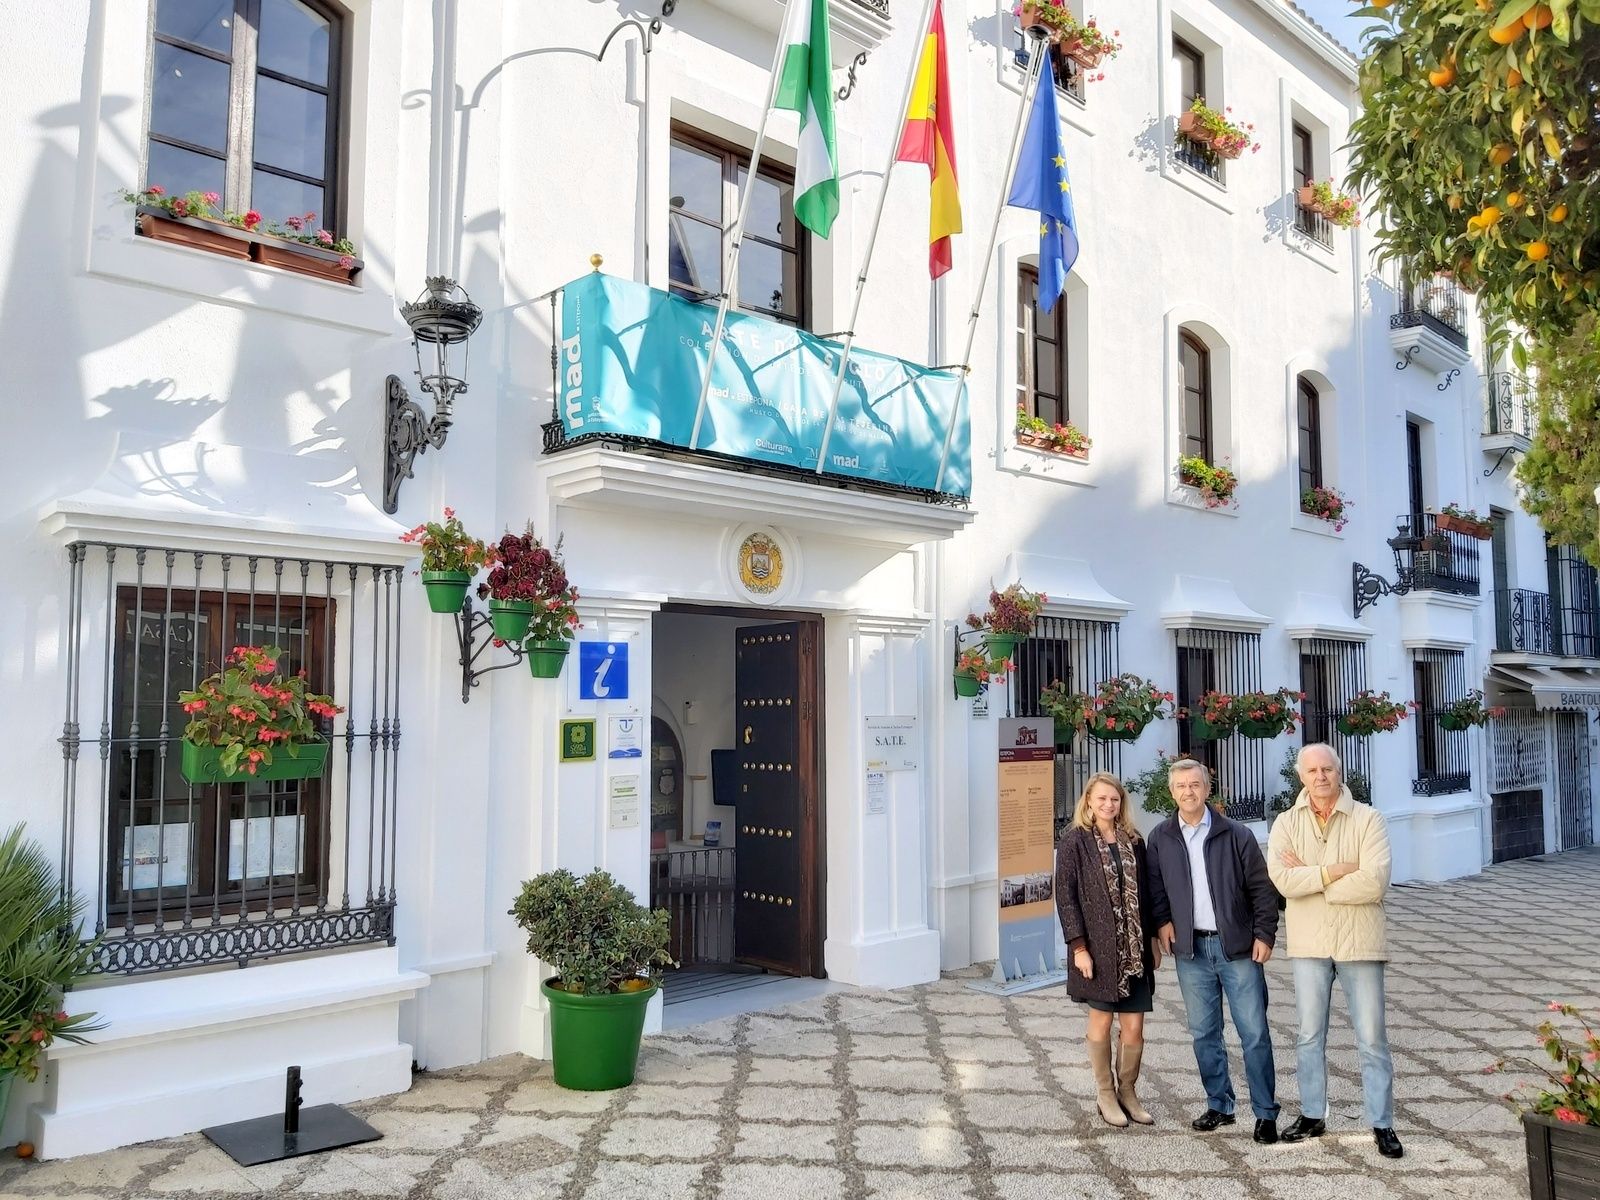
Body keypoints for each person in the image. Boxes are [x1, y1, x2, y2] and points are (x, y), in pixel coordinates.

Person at [1267, 742, 1404, 1160]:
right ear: (1301, 777)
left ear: (1339, 771)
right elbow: (1283, 882)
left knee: (1372, 1038)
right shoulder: (1286, 824)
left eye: (1327, 769)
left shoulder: (1369, 819)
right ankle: (1312, 1114)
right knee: (1309, 1035)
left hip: (1359, 942)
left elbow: (1374, 882)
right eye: (1312, 771)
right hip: (1309, 943)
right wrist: (1335, 870)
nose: (1321, 777)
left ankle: (1381, 1123)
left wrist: (1312, 880)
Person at [1147, 758, 1282, 1144]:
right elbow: (1156, 890)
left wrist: (1265, 935)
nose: (1188, 792)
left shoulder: (1236, 834)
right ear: (1172, 792)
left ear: (1207, 789)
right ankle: (1219, 1105)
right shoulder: (1161, 838)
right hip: (1191, 951)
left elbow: (1262, 890)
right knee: (1204, 1033)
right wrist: (1162, 923)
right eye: (1181, 786)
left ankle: (1265, 1113)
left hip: (1237, 948)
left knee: (1254, 1033)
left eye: (1195, 785)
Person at [1055, 772, 1162, 1127]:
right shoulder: (1074, 841)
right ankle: (1105, 1094)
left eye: (1114, 799)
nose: (1107, 805)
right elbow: (1066, 897)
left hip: (1133, 949)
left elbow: (1145, 895)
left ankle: (1128, 1091)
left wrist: (1151, 942)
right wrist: (1078, 947)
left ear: (1121, 803)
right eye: (1101, 799)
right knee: (1101, 1020)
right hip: (1097, 949)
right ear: (1088, 801)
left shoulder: (1134, 840)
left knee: (1134, 1027)